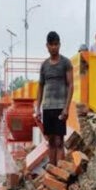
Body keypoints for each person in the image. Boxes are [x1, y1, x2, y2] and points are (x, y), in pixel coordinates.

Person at [35, 31, 74, 166]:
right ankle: (52, 173)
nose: (54, 47)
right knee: (51, 141)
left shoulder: (66, 63)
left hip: (60, 107)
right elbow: (40, 86)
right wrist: (37, 108)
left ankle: (60, 174)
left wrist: (66, 108)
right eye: (51, 45)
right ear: (47, 46)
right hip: (47, 107)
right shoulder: (44, 66)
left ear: (60, 45)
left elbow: (71, 86)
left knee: (59, 141)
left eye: (56, 45)